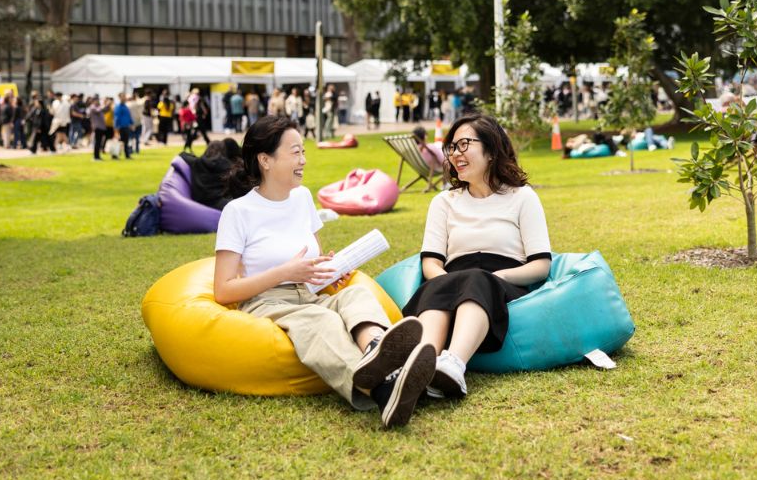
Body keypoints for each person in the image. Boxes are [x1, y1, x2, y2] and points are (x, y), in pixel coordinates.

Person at [214, 115, 436, 428]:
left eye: (303, 151)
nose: (303, 160)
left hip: (310, 293)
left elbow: (315, 257)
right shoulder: (238, 212)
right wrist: (285, 271)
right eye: (294, 152)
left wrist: (331, 269)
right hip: (267, 301)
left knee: (356, 294)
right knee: (322, 321)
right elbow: (223, 289)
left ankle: (379, 351)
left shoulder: (303, 198)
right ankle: (384, 389)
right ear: (265, 160)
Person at [403, 114, 552, 400]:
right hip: (452, 278)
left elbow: (541, 265)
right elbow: (431, 263)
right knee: (443, 284)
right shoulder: (444, 202)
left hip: (502, 282)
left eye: (464, 145)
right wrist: (449, 282)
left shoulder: (522, 197)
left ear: (492, 150)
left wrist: (500, 277)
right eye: (451, 147)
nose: (455, 155)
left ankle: (454, 365)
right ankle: (421, 365)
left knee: (476, 281)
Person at [115, 92, 134, 159]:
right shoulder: (118, 107)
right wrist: (116, 127)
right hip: (121, 127)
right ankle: (115, 154)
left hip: (126, 126)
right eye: (123, 96)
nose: (124, 98)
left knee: (126, 141)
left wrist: (132, 123)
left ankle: (127, 155)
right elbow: (117, 118)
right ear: (120, 98)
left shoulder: (125, 107)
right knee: (120, 141)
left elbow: (129, 116)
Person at [88, 95, 108, 161]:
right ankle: (96, 157)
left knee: (99, 143)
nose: (98, 102)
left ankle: (98, 156)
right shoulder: (92, 107)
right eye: (97, 100)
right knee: (97, 142)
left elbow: (105, 110)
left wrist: (107, 105)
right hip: (97, 127)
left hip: (101, 127)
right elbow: (99, 110)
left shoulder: (98, 107)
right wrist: (105, 104)